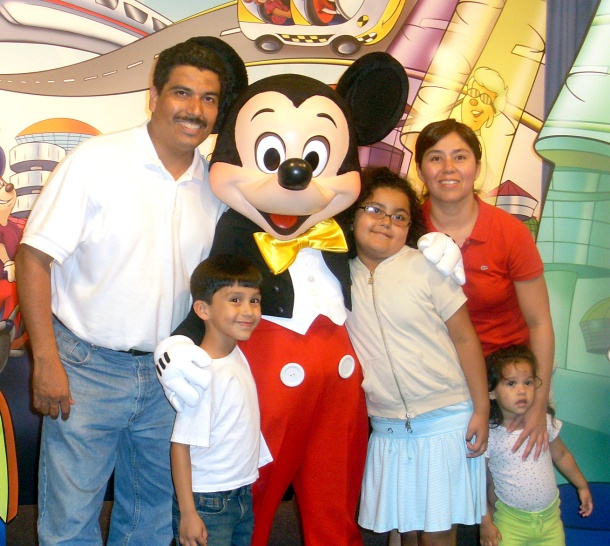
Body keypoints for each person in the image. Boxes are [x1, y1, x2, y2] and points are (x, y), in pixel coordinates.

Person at [14, 37, 246, 545]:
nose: (195, 110)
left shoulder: (216, 185)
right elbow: (33, 259)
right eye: (182, 93)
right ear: (154, 96)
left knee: (150, 521)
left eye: (208, 99)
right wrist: (46, 362)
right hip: (85, 369)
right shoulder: (97, 161)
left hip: (170, 375)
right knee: (69, 524)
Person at [345, 166, 490, 546]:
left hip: (446, 417)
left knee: (438, 536)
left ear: (411, 226)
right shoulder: (338, 276)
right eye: (374, 210)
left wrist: (481, 408)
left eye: (399, 216)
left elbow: (465, 339)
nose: (385, 222)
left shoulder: (427, 267)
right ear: (353, 214)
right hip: (389, 426)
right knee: (406, 533)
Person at [416, 119, 555, 460]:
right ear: (420, 170)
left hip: (506, 385)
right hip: (437, 386)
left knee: (514, 490)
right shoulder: (406, 231)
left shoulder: (510, 233)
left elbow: (540, 324)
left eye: (460, 157)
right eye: (436, 158)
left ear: (477, 167)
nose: (448, 168)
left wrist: (536, 402)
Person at [168, 254, 272, 546]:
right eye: (235, 300)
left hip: (239, 492)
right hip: (207, 502)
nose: (249, 311)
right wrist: (189, 513)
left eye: (254, 300)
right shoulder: (204, 373)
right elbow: (180, 446)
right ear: (203, 309)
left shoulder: (235, 355)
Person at [481, 345, 593, 546]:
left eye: (528, 382)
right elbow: (477, 481)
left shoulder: (544, 423)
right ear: (491, 392)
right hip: (510, 522)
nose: (522, 390)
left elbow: (562, 455)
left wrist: (582, 485)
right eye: (511, 383)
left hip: (550, 521)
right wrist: (485, 521)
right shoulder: (490, 435)